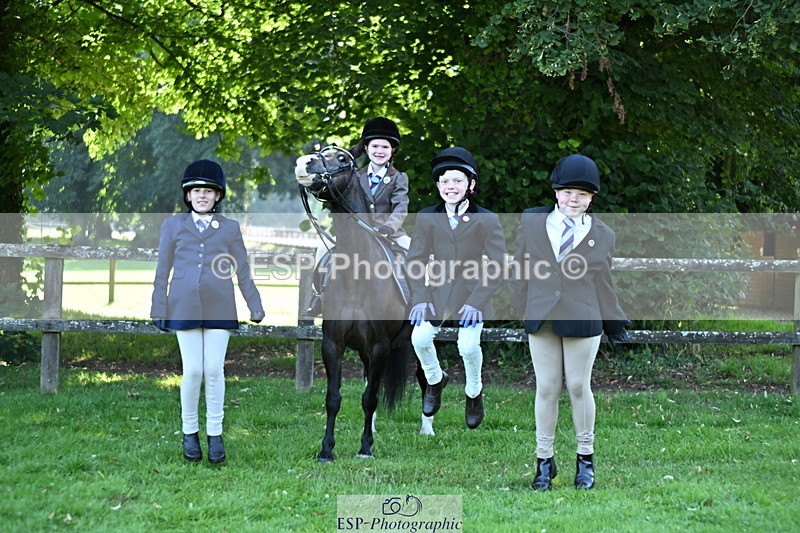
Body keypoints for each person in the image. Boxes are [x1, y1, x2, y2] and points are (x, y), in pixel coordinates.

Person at [508, 153, 630, 490]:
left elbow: (603, 281)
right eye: (567, 192)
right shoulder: (532, 221)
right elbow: (519, 267)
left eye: (582, 194)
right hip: (542, 315)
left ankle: (585, 459)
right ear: (555, 192)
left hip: (582, 315)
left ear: (592, 198)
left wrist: (614, 321)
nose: (573, 200)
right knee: (546, 387)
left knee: (577, 385)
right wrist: (520, 308)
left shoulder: (603, 234)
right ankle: (543, 461)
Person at [150, 159, 265, 464]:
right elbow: (162, 269)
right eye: (197, 191)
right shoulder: (173, 225)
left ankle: (215, 434)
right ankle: (190, 432)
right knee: (193, 370)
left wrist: (255, 304)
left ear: (218, 196)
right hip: (182, 305)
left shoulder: (230, 228)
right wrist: (158, 307)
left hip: (220, 304)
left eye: (209, 191)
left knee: (214, 369)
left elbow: (242, 269)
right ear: (188, 196)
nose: (202, 195)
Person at [406, 147, 506, 429]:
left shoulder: (487, 219)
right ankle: (435, 379)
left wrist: (477, 301)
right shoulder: (427, 217)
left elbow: (497, 264)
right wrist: (420, 298)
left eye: (458, 181)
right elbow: (415, 260)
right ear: (438, 186)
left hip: (472, 294)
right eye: (445, 181)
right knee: (419, 339)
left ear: (470, 184)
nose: (451, 186)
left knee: (467, 345)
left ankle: (473, 392)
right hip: (437, 293)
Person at [304, 117, 411, 316]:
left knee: (412, 251)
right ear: (366, 148)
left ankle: (417, 300)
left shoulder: (399, 178)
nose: (380, 151)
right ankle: (318, 296)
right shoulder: (355, 176)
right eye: (375, 146)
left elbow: (400, 208)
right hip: (356, 233)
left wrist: (389, 227)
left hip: (389, 233)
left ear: (393, 150)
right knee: (322, 250)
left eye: (385, 147)